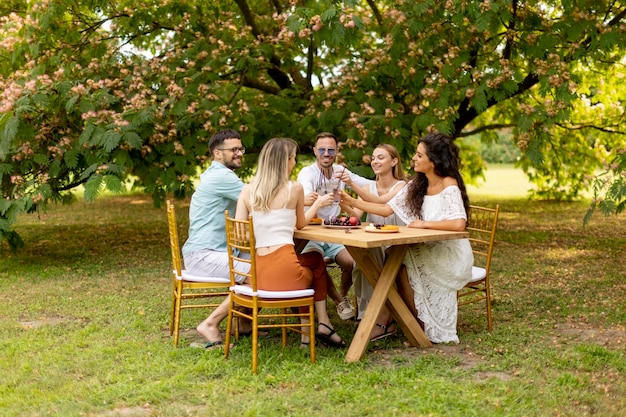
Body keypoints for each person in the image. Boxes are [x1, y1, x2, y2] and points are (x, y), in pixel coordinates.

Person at [340, 132, 473, 344]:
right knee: (394, 258)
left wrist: (424, 224)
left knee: (396, 260)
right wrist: (350, 201)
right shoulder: (417, 184)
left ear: (434, 160)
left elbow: (458, 223)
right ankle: (403, 322)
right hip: (426, 247)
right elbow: (384, 209)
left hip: (448, 252)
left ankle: (396, 322)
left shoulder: (449, 183)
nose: (414, 159)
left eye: (420, 155)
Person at [236, 137, 345, 347]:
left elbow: (241, 235)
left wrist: (264, 229)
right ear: (285, 161)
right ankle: (320, 325)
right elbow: (302, 224)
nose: (294, 162)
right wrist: (319, 204)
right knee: (315, 263)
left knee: (312, 260)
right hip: (286, 276)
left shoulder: (248, 191)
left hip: (258, 276)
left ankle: (314, 329)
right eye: (293, 158)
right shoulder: (294, 188)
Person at [182, 129, 251, 348]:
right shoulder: (221, 176)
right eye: (234, 149)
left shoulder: (220, 174)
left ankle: (243, 324)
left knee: (265, 261)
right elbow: (259, 199)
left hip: (210, 252)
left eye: (240, 148)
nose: (239, 153)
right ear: (217, 154)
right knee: (259, 274)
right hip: (203, 256)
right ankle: (210, 324)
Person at [296, 132, 370, 321]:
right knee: (316, 263)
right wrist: (319, 199)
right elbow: (305, 197)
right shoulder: (307, 173)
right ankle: (338, 301)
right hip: (311, 232)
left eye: (330, 150)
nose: (326, 154)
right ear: (315, 151)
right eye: (322, 150)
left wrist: (352, 186)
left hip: (335, 232)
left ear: (337, 151)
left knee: (353, 263)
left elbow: (369, 186)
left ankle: (343, 295)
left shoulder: (341, 172)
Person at [338, 144, 406, 325]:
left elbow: (382, 205)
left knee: (367, 261)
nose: (375, 161)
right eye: (374, 158)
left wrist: (351, 186)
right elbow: (356, 215)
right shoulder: (368, 187)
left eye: (381, 157)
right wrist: (339, 201)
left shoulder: (402, 186)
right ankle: (366, 314)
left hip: (398, 242)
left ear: (394, 161)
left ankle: (376, 316)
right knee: (362, 264)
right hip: (375, 240)